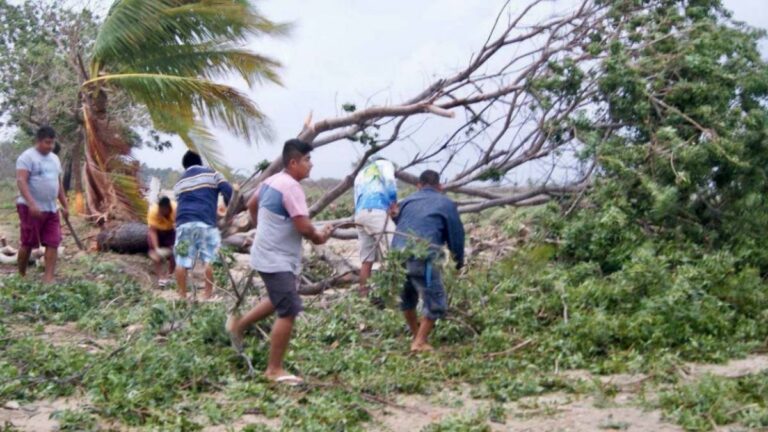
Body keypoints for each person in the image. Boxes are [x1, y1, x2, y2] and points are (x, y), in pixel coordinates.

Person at [227, 139, 333, 385]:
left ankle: (238, 326)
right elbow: (304, 227)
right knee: (289, 309)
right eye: (307, 160)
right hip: (276, 258)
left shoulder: (270, 182)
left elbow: (251, 205)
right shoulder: (291, 187)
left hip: (265, 254)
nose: (311, 165)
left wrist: (262, 227)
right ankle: (274, 369)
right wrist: (321, 236)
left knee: (278, 299)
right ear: (294, 162)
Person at [392, 170, 465, 352]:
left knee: (407, 298)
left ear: (419, 185)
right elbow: (456, 235)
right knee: (435, 299)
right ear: (440, 186)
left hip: (397, 255)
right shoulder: (446, 203)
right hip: (423, 256)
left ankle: (416, 334)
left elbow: (404, 224)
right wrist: (458, 260)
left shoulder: (407, 200)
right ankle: (419, 341)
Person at [173, 151, 232, 299]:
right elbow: (229, 191)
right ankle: (207, 294)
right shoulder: (212, 174)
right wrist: (227, 205)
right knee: (208, 259)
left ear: (185, 166)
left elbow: (179, 202)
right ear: (200, 162)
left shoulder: (179, 182)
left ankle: (182, 295)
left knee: (181, 260)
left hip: (183, 223)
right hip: (205, 223)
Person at [15, 126, 68, 284]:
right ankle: (21, 275)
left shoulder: (55, 159)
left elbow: (58, 183)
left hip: (51, 208)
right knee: (28, 243)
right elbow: (21, 181)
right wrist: (32, 204)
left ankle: (48, 278)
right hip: (29, 208)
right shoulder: (26, 158)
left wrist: (65, 205)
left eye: (52, 143)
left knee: (53, 241)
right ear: (38, 141)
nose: (50, 146)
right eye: (47, 143)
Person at [353, 157, 397, 298]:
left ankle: (363, 297)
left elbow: (356, 197)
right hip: (376, 210)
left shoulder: (361, 173)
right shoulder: (386, 164)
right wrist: (393, 204)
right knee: (395, 252)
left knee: (367, 259)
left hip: (360, 214)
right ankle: (393, 295)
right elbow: (390, 182)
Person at [147, 196, 177, 286]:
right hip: (157, 231)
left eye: (164, 211)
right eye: (160, 210)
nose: (161, 212)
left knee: (175, 252)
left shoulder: (176, 209)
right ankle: (161, 277)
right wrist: (156, 248)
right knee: (154, 253)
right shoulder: (153, 211)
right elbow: (152, 231)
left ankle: (170, 275)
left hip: (170, 230)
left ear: (169, 209)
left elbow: (179, 226)